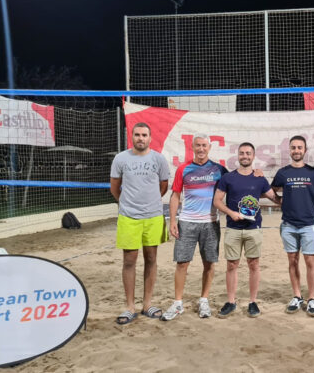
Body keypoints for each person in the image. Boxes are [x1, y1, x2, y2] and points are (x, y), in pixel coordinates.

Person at [160, 134, 228, 321]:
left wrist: (256, 173)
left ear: (209, 147)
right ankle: (178, 303)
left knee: (209, 263)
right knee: (182, 263)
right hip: (187, 222)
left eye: (204, 145)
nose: (201, 149)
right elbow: (175, 196)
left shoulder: (219, 169)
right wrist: (172, 221)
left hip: (210, 223)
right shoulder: (184, 168)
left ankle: (204, 300)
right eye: (198, 145)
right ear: (192, 147)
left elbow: (237, 181)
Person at [110, 122, 170, 325]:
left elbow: (163, 186)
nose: (141, 138)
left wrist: (149, 202)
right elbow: (114, 188)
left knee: (151, 258)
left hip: (153, 216)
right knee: (129, 260)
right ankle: (130, 306)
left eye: (144, 135)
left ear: (150, 138)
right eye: (137, 134)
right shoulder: (120, 158)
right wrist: (127, 204)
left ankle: (147, 304)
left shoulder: (158, 159)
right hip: (129, 217)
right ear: (132, 136)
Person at [213, 142, 280, 318]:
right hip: (233, 228)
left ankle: (252, 302)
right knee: (231, 265)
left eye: (248, 153)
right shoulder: (228, 178)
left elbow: (275, 198)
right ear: (238, 155)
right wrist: (231, 213)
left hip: (253, 228)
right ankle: (231, 301)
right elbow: (217, 201)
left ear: (253, 156)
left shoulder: (260, 178)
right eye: (242, 153)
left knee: (254, 264)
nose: (245, 156)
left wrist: (294, 196)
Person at [271, 135, 314, 316]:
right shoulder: (283, 173)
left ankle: (312, 298)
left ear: (305, 150)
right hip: (289, 225)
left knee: (310, 262)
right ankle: (297, 296)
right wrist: (279, 201)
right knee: (292, 261)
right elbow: (271, 190)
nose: (296, 150)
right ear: (289, 150)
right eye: (293, 147)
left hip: (309, 224)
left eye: (300, 147)